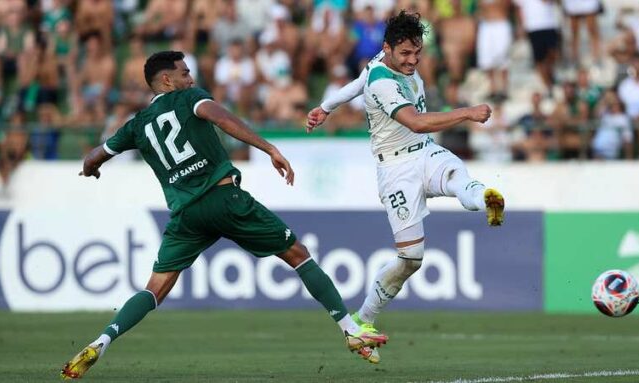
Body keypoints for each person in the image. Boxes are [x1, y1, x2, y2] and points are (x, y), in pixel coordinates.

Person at [59, 51, 388, 380]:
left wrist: (93, 169)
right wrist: (270, 149)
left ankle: (102, 340)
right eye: (185, 73)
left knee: (154, 288)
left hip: (186, 216)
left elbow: (92, 157)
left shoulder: (137, 125)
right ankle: (349, 329)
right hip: (223, 198)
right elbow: (222, 118)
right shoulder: (190, 98)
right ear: (166, 80)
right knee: (298, 254)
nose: (191, 78)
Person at [306, 11, 504, 361]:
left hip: (425, 154)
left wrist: (325, 107)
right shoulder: (383, 81)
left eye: (418, 53)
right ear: (388, 49)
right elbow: (414, 122)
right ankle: (363, 320)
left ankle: (484, 199)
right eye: (405, 55)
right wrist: (466, 112)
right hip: (396, 170)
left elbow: (355, 82)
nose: (413, 61)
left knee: (459, 177)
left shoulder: (380, 61)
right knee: (411, 258)